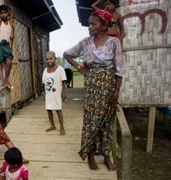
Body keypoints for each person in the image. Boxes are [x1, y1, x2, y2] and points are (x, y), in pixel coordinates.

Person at [63, 9, 123, 171]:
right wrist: (80, 69)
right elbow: (67, 54)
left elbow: (119, 70)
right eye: (89, 23)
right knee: (91, 120)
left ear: (104, 25)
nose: (89, 27)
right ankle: (90, 154)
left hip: (108, 85)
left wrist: (116, 93)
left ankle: (106, 155)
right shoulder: (85, 42)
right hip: (91, 87)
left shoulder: (114, 42)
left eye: (92, 24)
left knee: (106, 121)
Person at [42, 51, 67, 135]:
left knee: (58, 110)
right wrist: (45, 94)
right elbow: (45, 83)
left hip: (56, 95)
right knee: (49, 110)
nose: (49, 61)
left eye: (51, 59)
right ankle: (52, 125)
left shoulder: (60, 69)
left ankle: (62, 127)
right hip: (49, 94)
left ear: (55, 59)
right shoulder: (45, 70)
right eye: (47, 59)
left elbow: (64, 83)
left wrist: (64, 93)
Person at [0, 0, 14, 88]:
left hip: (6, 45)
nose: (3, 14)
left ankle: (6, 79)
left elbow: (12, 10)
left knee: (9, 62)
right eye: (1, 13)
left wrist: (9, 7)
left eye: (5, 13)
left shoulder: (10, 22)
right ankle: (2, 82)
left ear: (8, 13)